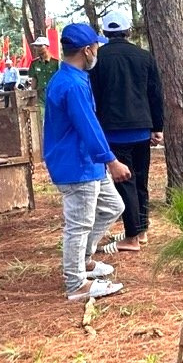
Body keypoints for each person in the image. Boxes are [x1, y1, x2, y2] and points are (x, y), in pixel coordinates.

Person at [43, 23, 130, 301]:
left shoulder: (73, 77)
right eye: (96, 47)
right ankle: (76, 283)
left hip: (87, 162)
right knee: (78, 224)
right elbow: (87, 126)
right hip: (77, 164)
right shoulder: (71, 84)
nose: (97, 52)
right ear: (87, 49)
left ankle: (84, 259)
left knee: (114, 206)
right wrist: (111, 160)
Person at [90, 11, 164, 252]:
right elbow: (155, 94)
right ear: (128, 31)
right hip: (142, 129)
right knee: (140, 181)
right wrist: (157, 127)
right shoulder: (144, 56)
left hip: (113, 131)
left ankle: (132, 236)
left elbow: (95, 96)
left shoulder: (97, 59)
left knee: (125, 183)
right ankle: (141, 230)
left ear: (105, 33)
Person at [29, 36, 59, 124]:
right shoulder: (34, 63)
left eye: (40, 46)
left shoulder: (56, 62)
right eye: (36, 46)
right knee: (41, 121)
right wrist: (32, 94)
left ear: (47, 46)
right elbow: (34, 80)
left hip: (54, 95)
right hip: (40, 96)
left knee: (55, 121)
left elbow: (60, 80)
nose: (37, 48)